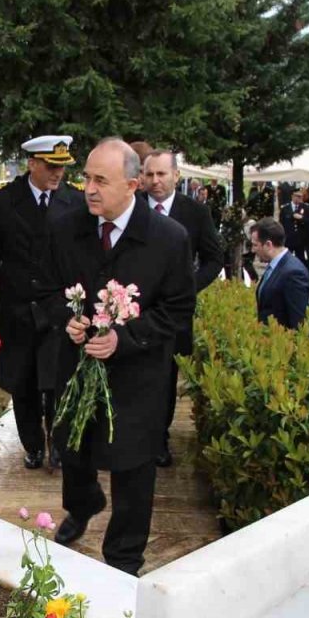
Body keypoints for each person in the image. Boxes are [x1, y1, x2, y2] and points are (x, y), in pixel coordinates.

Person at [39, 139, 195, 576]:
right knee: (74, 450)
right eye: (85, 177)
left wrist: (124, 340)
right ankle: (83, 505)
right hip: (75, 369)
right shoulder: (65, 228)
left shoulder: (169, 239)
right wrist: (62, 319)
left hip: (138, 380)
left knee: (133, 469)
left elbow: (178, 310)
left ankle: (124, 559)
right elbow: (47, 289)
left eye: (100, 180)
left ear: (132, 184)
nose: (88, 188)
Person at [0, 135, 82, 470]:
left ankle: (58, 444)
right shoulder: (3, 202)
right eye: (50, 166)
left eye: (62, 167)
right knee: (24, 383)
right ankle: (33, 445)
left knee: (60, 380)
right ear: (32, 163)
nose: (57, 173)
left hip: (59, 310)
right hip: (18, 310)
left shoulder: (74, 201)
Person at [140, 149, 223, 468]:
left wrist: (188, 289)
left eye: (161, 174)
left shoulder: (196, 213)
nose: (155, 181)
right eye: (149, 174)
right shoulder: (131, 209)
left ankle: (158, 440)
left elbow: (215, 258)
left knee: (164, 379)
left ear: (176, 175)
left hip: (173, 315)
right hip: (134, 311)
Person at [252, 217, 309, 330]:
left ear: (268, 245)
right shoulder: (275, 266)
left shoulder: (294, 273)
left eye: (255, 245)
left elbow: (298, 323)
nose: (253, 250)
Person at [279, 188, 309, 268]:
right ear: (292, 196)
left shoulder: (305, 208)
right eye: (296, 196)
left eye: (300, 197)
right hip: (289, 238)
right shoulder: (285, 208)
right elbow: (281, 223)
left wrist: (301, 218)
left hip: (300, 239)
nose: (298, 198)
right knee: (286, 258)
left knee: (300, 259)